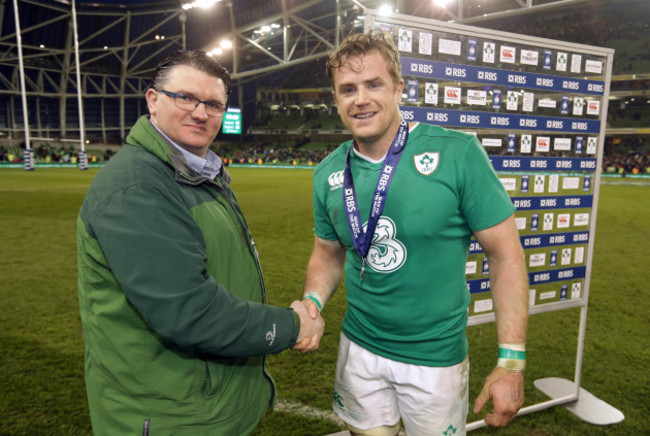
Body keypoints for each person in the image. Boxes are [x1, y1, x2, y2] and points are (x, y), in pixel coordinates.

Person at [76, 49, 324, 436]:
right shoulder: (138, 186)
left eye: (213, 104)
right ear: (153, 100)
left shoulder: (198, 172)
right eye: (186, 97)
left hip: (205, 403)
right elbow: (191, 311)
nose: (200, 112)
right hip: (171, 415)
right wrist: (292, 325)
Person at [297, 31, 529, 435]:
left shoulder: (457, 154)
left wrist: (511, 360)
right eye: (347, 89)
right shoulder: (328, 174)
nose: (360, 99)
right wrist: (312, 301)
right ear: (335, 99)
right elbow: (327, 253)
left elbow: (505, 254)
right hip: (359, 348)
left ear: (399, 88)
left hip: (434, 358)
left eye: (374, 84)